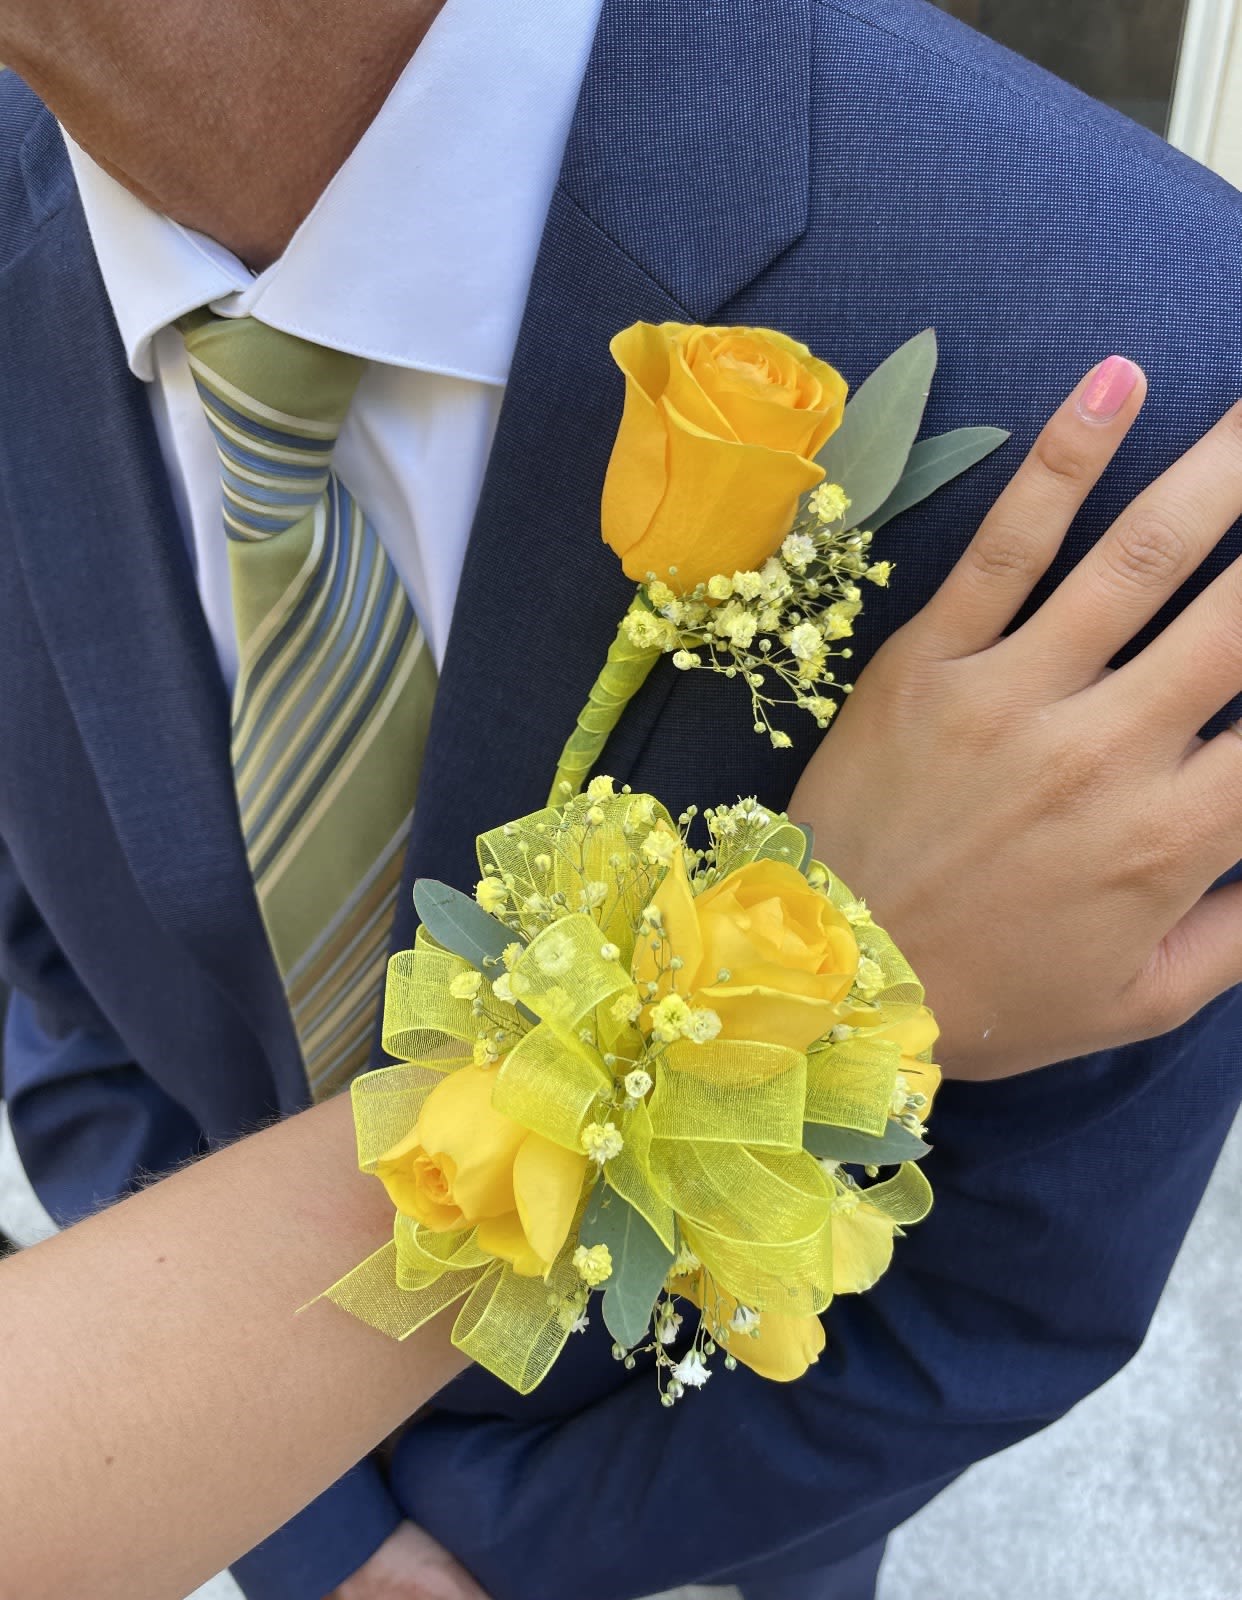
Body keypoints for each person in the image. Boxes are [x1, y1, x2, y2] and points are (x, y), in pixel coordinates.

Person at [0, 1, 1239, 1597]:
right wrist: (308, 1531)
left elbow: (1026, 1272)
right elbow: (60, 968)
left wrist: (495, 1560)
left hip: (711, 1525)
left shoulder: (1128, 337)